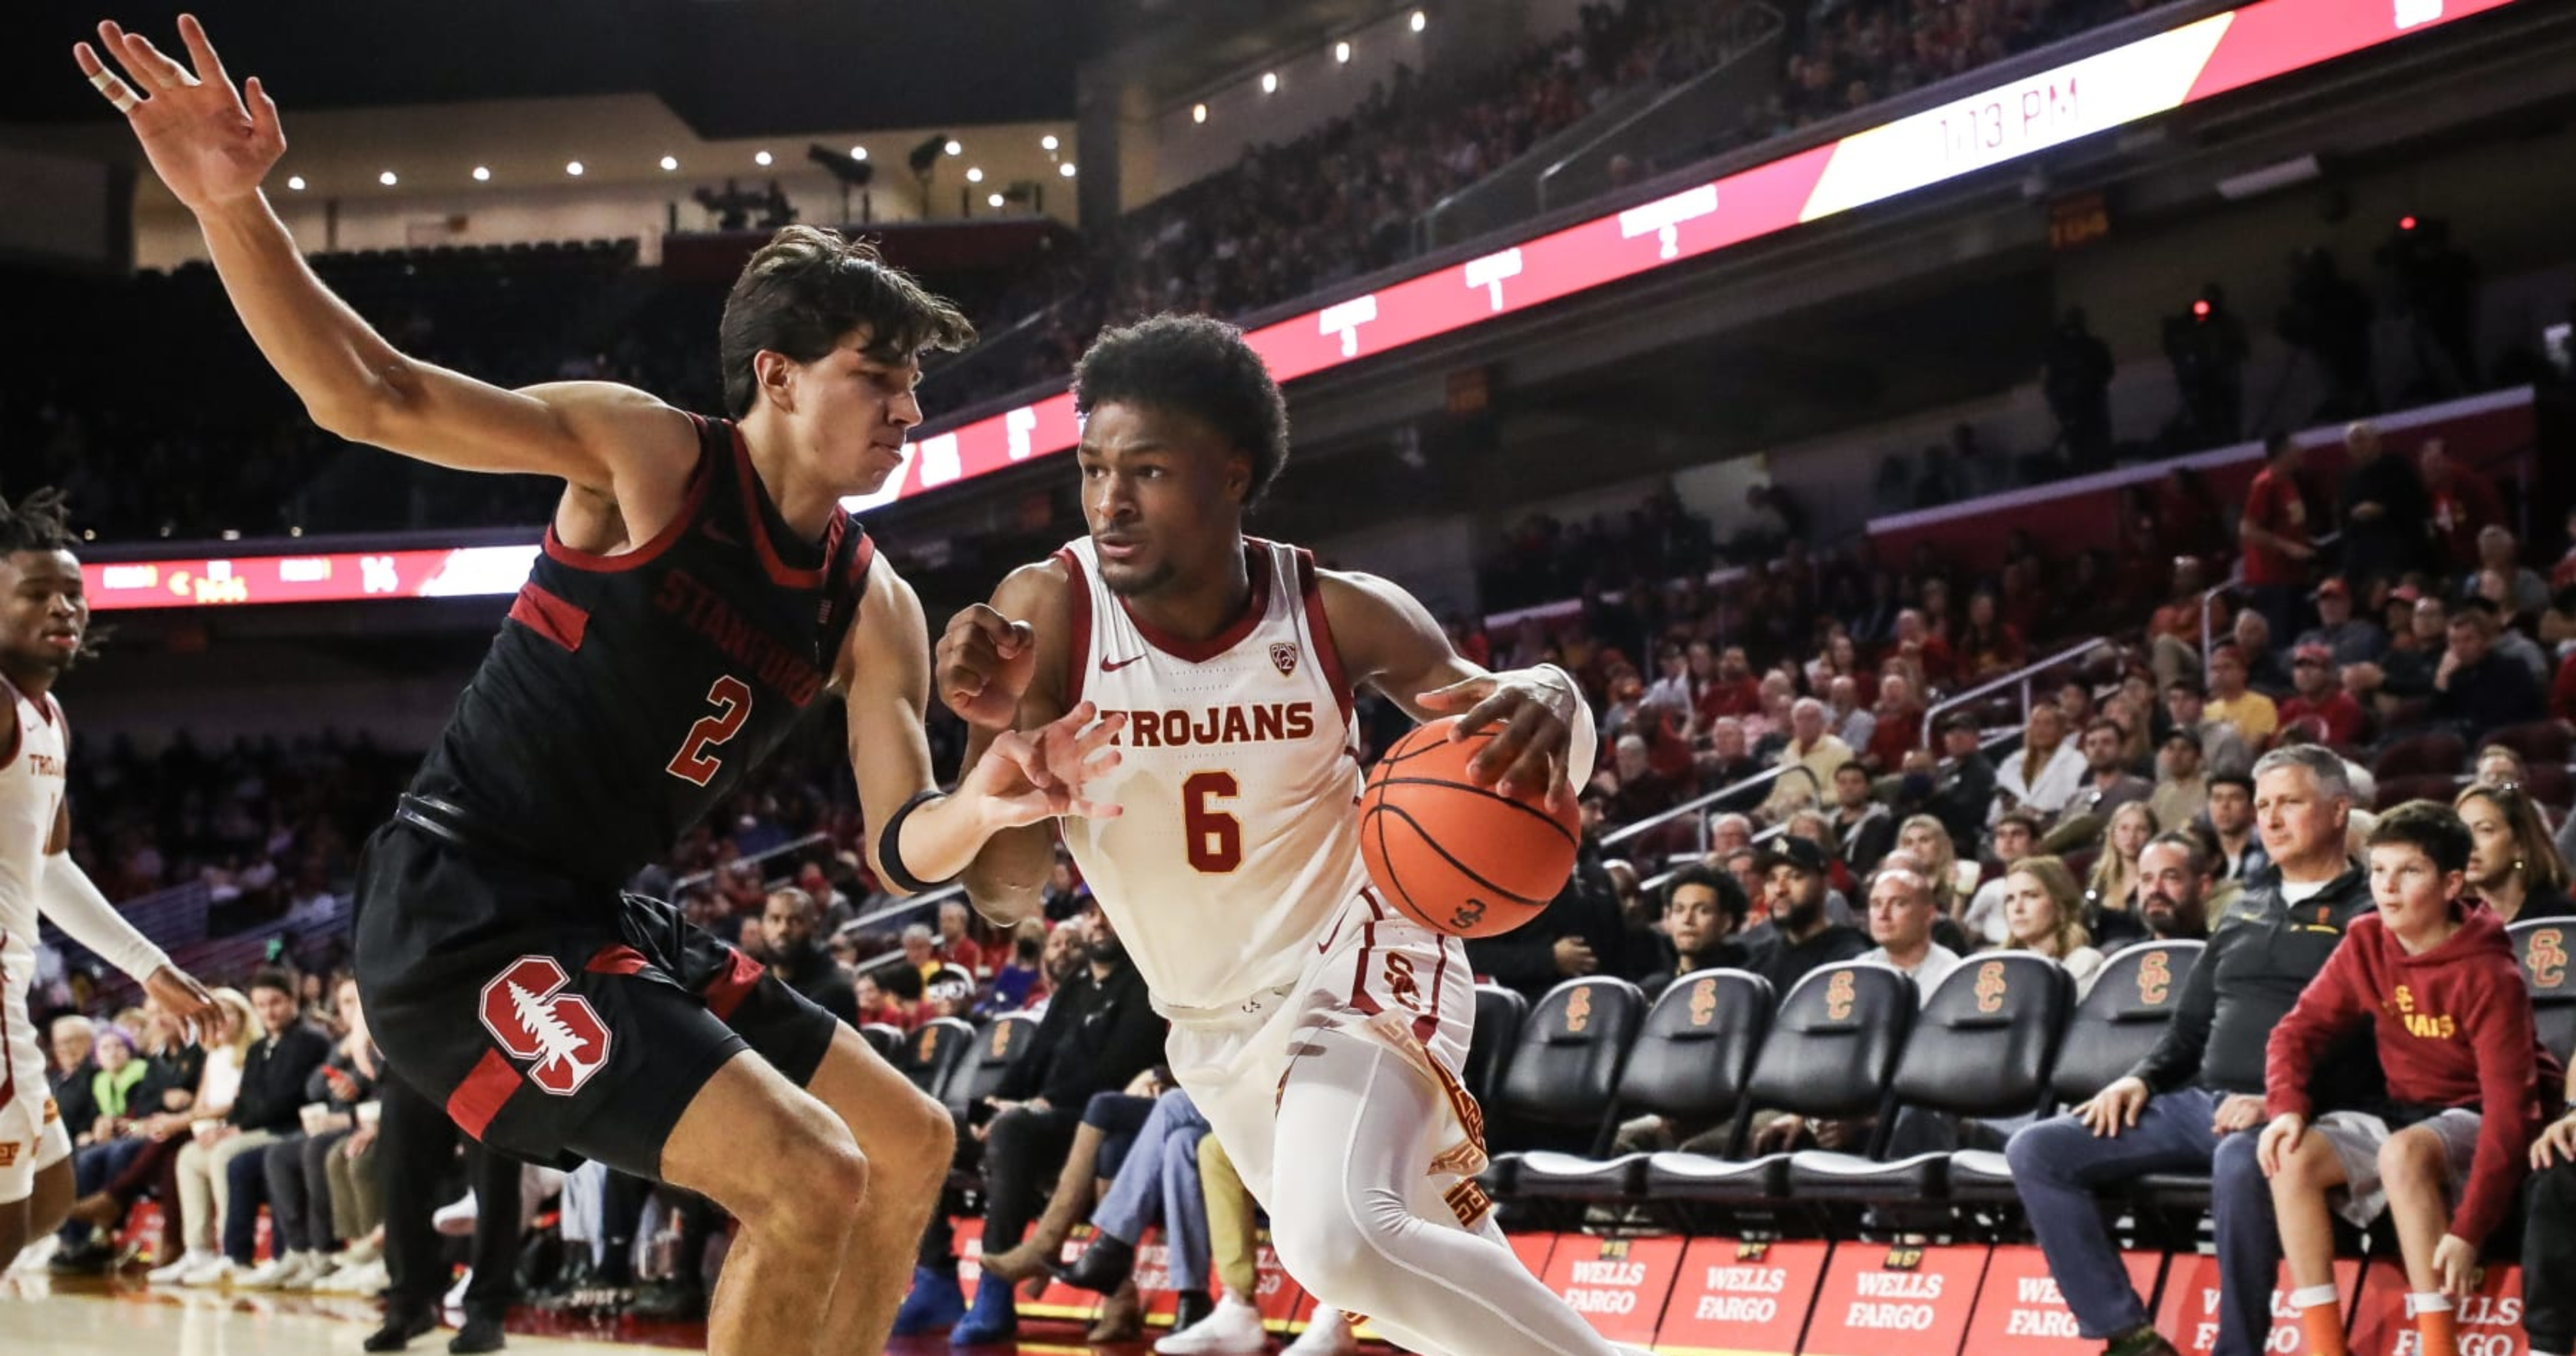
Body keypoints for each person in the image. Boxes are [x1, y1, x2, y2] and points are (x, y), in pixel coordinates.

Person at [76, 20, 1113, 1353]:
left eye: (915, 382)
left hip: (599, 911)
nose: (908, 408)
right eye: (878, 375)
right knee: (811, 1173)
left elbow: (901, 840)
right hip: (461, 910)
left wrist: (993, 793)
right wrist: (233, 207)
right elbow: (371, 395)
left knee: (905, 1140)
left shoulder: (877, 604)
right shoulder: (647, 456)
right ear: (777, 376)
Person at [934, 315, 1641, 1356]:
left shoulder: (1336, 612)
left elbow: (1523, 749)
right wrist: (996, 737)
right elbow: (1002, 894)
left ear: (1233, 473)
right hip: (1210, 1020)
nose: (1109, 503)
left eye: (1147, 472)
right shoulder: (1050, 612)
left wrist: (1551, 687)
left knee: (1339, 1239)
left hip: (1362, 959)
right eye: (1091, 471)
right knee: (1426, 1291)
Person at [2005, 746, 2375, 1356]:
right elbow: (2188, 1028)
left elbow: (2375, 1041)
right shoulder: (2244, 909)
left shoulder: (2371, 912)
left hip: (2305, 1113)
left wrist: (2281, 1101)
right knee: (2039, 1149)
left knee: (2240, 1161)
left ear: (2339, 811)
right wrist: (2140, 1081)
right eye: (2263, 806)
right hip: (2203, 1103)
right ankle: (2129, 1336)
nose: (2271, 819)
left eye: (2290, 804)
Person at [0, 488, 220, 1270]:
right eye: (35, 593)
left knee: (52, 1196)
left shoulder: (46, 714)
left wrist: (148, 966)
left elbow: (52, 866)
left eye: (72, 593)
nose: (63, 607)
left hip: (11, 998)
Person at [2258, 801, 2559, 1356]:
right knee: (2290, 1157)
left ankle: (2438, 1346)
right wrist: (2286, 1108)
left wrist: (2468, 1231)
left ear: (2451, 884)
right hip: (2404, 1111)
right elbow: (2292, 1034)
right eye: (2378, 871)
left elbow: (2512, 1117)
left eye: (2409, 872)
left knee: (2403, 1154)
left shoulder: (2491, 972)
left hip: (2478, 1116)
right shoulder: (2366, 940)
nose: (2387, 888)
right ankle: (2327, 1347)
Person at [2453, 782, 2575, 923]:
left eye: (2485, 830)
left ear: (2520, 845)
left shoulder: (2559, 917)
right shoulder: (2445, 918)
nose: (2469, 844)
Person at [1638, 865, 1757, 999]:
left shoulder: (1743, 987)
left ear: (1726, 923)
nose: (1687, 920)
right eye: (1679, 910)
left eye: (1702, 911)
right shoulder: (1652, 990)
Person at [2000, 856, 2106, 994]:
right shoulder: (1997, 967)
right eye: (2010, 899)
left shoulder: (2083, 962)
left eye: (2031, 896)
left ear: (2060, 905)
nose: (2017, 908)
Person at [755, 888, 861, 1026]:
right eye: (774, 919)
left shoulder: (835, 991)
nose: (783, 929)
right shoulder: (758, 985)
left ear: (814, 926)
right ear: (762, 925)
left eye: (795, 921)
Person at [1858, 863, 1960, 996]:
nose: (1883, 915)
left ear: (1929, 915)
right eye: (1876, 904)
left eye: (1899, 904)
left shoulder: (1952, 975)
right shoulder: (1860, 968)